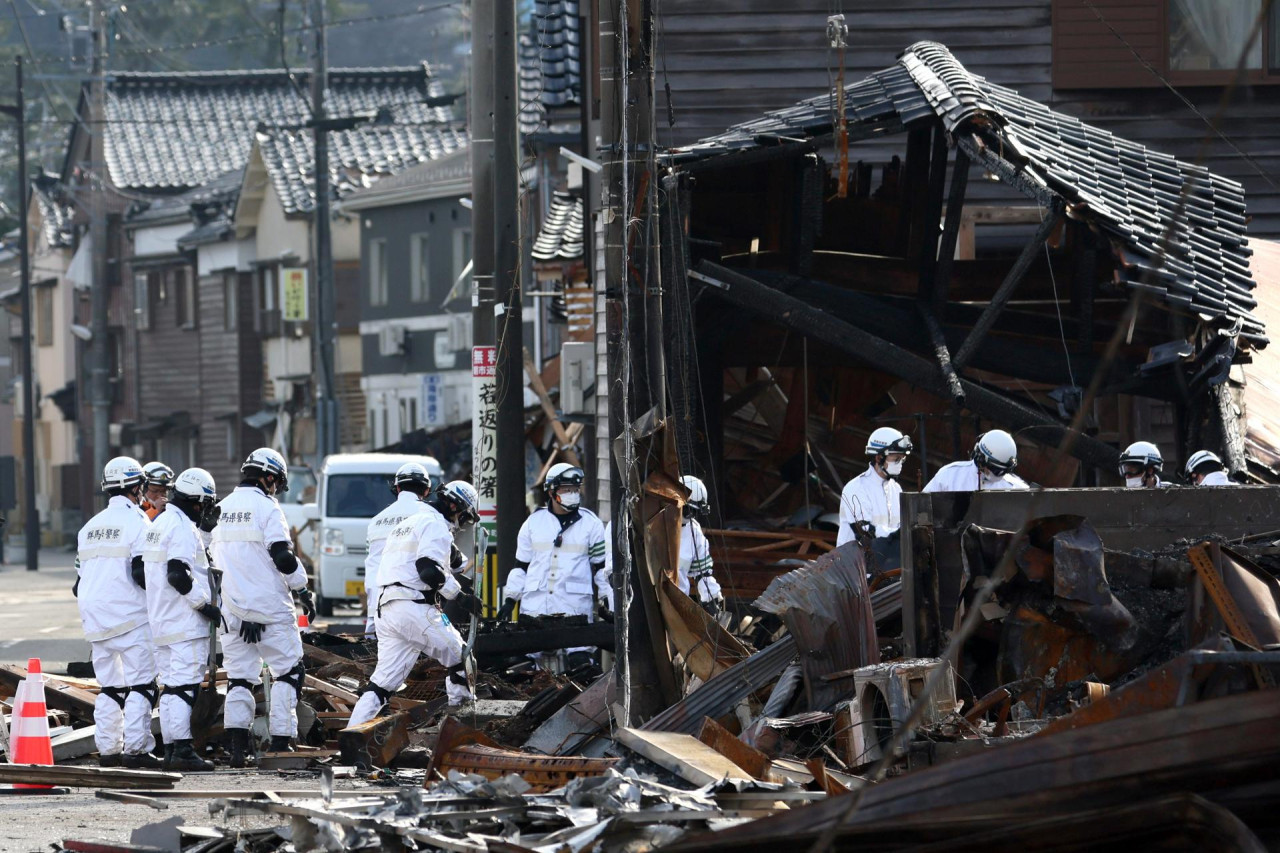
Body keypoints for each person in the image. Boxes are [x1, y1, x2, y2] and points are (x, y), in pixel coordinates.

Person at [212, 448, 316, 766]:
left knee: (240, 678)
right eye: (277, 484)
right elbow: (283, 557)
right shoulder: (268, 509)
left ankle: (238, 749)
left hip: (230, 608)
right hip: (270, 607)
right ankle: (281, 742)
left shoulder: (219, 509)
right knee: (289, 671)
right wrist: (303, 588)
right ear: (269, 478)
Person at [347, 480, 481, 726]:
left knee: (382, 684)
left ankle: (351, 734)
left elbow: (446, 558)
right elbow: (428, 570)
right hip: (413, 607)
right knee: (462, 658)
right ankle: (462, 728)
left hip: (386, 609)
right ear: (454, 506)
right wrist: (461, 597)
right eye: (464, 515)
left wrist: (455, 559)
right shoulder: (435, 525)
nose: (462, 522)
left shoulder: (410, 523)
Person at [74, 456, 160, 768]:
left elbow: (80, 578)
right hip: (130, 616)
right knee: (142, 685)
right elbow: (141, 573)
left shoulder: (89, 527)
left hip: (94, 618)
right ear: (137, 487)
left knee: (110, 687)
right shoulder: (138, 522)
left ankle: (108, 750)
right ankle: (136, 750)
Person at [142, 468, 221, 772]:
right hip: (185, 622)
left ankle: (175, 749)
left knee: (172, 687)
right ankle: (184, 750)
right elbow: (178, 573)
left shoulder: (159, 523)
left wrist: (205, 534)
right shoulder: (181, 527)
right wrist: (204, 606)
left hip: (161, 621)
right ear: (199, 503)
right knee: (185, 687)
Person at [498, 464, 608, 670]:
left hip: (574, 607)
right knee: (524, 666)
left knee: (581, 665)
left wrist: (606, 600)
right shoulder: (533, 523)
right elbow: (521, 566)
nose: (573, 495)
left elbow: (601, 569)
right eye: (566, 490)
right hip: (535, 606)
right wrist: (510, 599)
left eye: (575, 490)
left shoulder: (591, 524)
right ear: (551, 491)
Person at [363, 463, 435, 638]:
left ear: (397, 487)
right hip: (413, 606)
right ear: (426, 490)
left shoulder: (376, 521)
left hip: (376, 610)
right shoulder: (429, 516)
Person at [838, 428, 912, 571]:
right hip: (852, 571)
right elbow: (865, 532)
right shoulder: (856, 488)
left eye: (902, 459)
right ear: (879, 458)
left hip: (882, 567)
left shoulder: (896, 489)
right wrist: (897, 534)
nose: (900, 463)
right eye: (896, 459)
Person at [676, 476, 724, 615]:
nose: (691, 516)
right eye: (688, 510)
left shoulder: (694, 532)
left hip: (676, 604)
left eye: (694, 512)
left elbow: (703, 574)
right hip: (644, 600)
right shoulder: (653, 523)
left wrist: (712, 598)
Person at [923, 430, 1029, 493]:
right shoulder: (949, 476)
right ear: (980, 459)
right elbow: (922, 508)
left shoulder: (1018, 488)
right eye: (996, 469)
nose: (1000, 474)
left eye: (1004, 471)